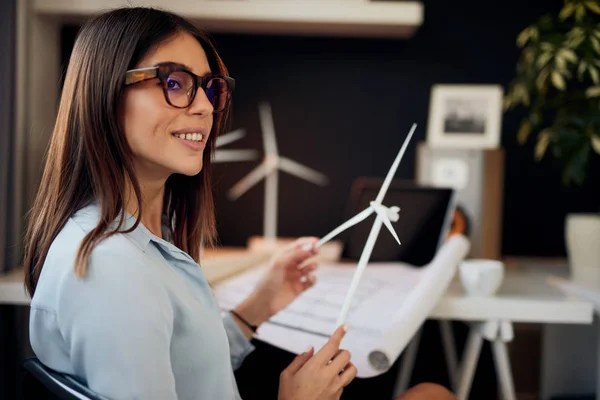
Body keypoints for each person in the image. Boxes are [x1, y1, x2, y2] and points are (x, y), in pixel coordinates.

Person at [22, 6, 456, 400]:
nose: (204, 108)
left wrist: (259, 305)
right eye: (174, 83)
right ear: (105, 93)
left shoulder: (144, 236)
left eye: (210, 89)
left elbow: (191, 372)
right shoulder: (112, 271)